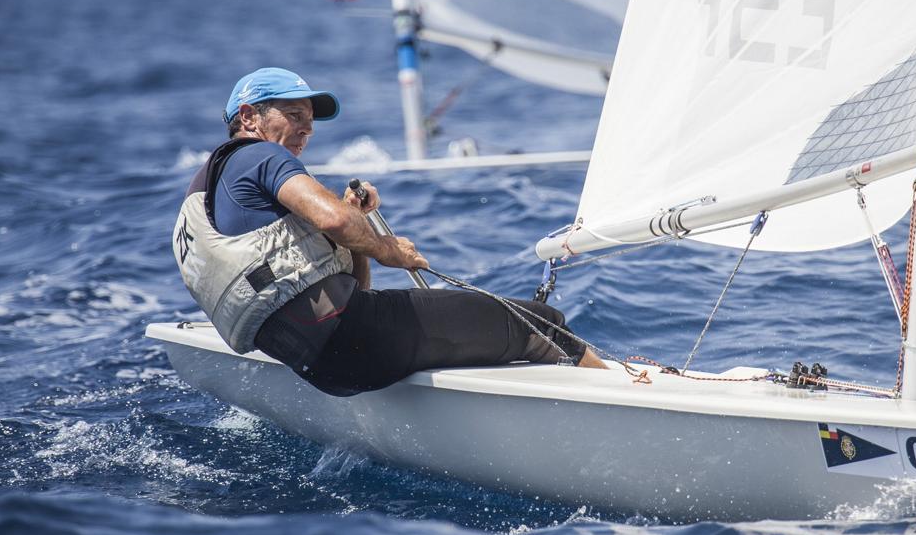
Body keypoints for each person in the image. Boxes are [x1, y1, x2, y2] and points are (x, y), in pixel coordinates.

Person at [173, 67, 606, 396]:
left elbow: (353, 289)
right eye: (293, 115)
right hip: (354, 338)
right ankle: (613, 400)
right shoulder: (260, 156)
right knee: (541, 323)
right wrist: (385, 248)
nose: (307, 128)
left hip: (321, 365)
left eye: (310, 119)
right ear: (248, 116)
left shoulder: (211, 192)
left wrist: (355, 242)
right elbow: (336, 222)